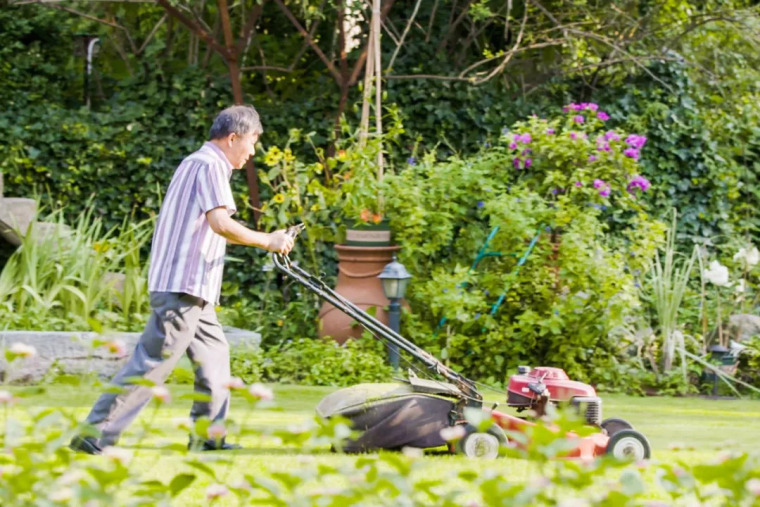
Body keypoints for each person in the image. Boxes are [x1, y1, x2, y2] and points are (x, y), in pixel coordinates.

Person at [70, 105, 294, 454]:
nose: (252, 153)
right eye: (251, 143)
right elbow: (220, 224)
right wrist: (269, 241)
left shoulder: (200, 163)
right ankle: (94, 435)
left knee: (215, 361)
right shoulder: (209, 165)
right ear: (233, 137)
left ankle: (207, 438)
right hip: (182, 286)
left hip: (195, 289)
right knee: (153, 362)